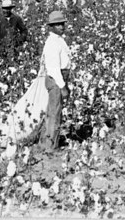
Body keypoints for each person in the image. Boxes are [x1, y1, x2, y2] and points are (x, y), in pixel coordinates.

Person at [39, 11, 73, 151]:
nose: (61, 26)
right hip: (56, 80)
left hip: (59, 78)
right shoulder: (52, 43)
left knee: (53, 111)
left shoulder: (58, 39)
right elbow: (53, 68)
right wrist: (63, 86)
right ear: (51, 27)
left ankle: (47, 142)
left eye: (62, 23)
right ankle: (50, 146)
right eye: (57, 24)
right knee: (54, 112)